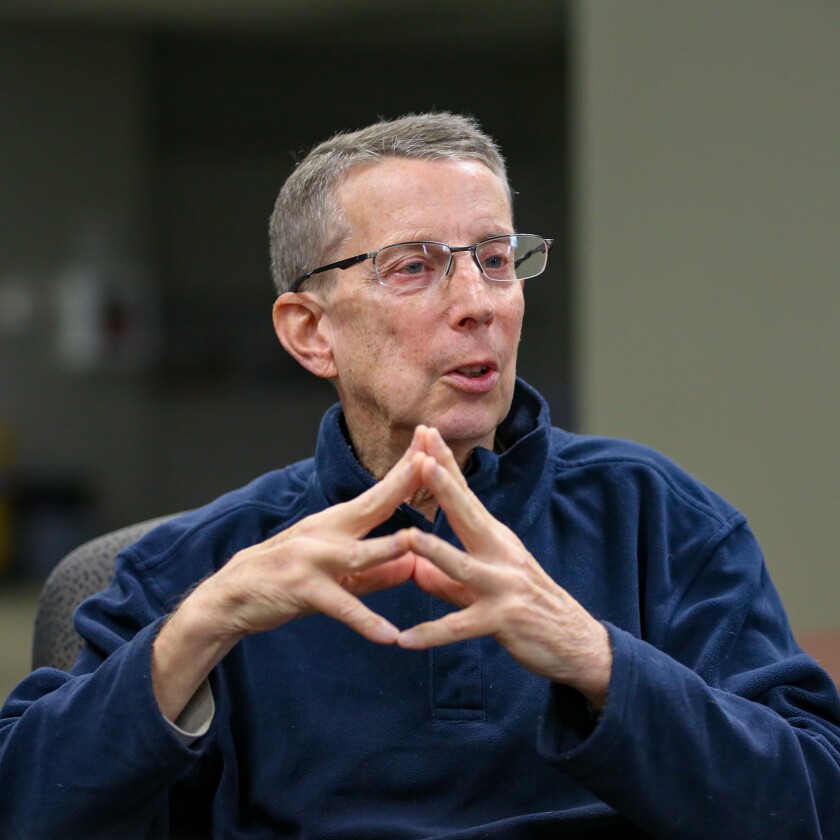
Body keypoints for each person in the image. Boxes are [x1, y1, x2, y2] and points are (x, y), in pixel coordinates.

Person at [1, 112, 839, 839]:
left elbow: (814, 803)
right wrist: (201, 627)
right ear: (309, 332)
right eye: (414, 266)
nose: (479, 301)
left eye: (496, 259)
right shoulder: (203, 564)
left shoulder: (661, 520)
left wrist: (595, 658)